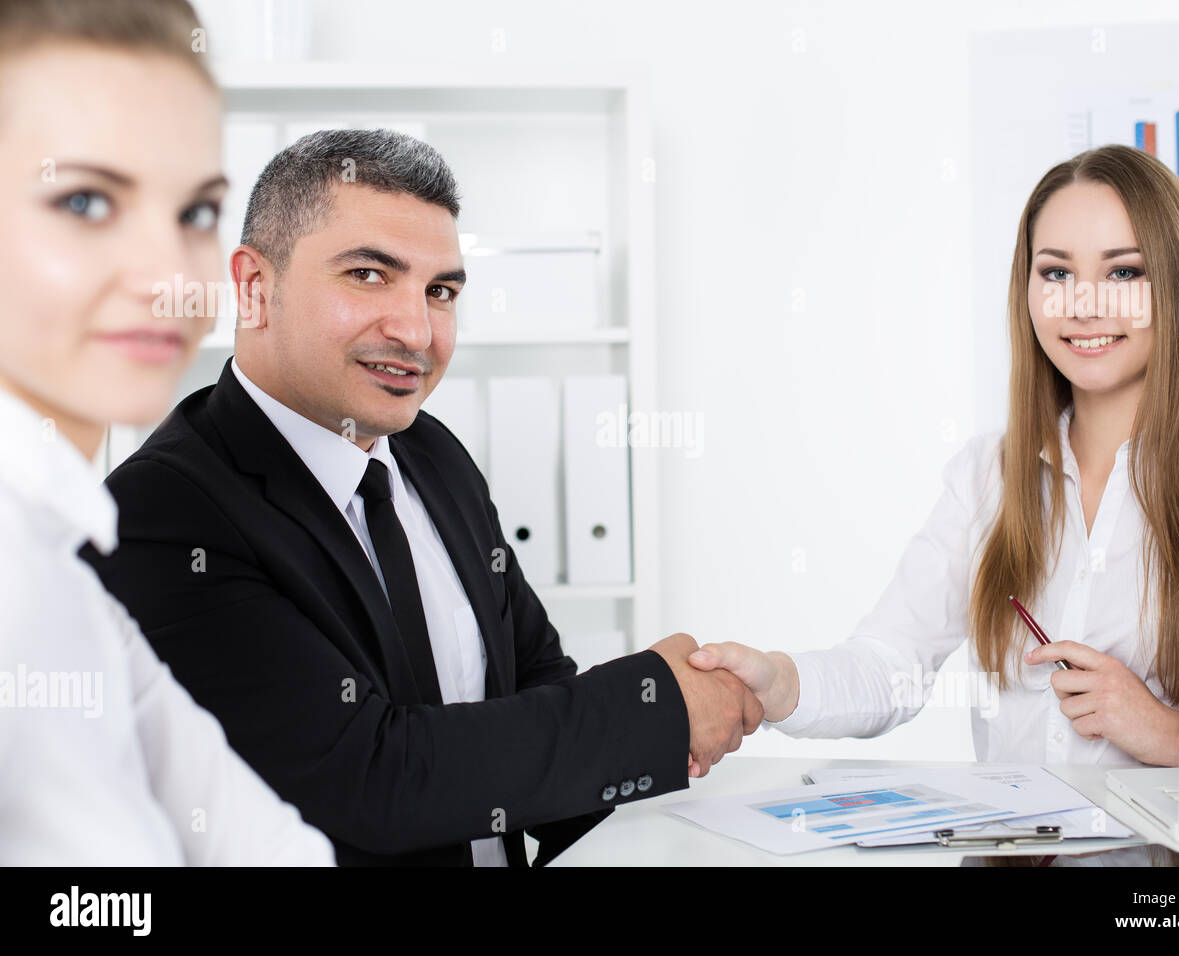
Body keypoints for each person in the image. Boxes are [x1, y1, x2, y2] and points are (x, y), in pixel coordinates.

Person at [86, 127, 763, 867]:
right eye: (369, 275)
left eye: (440, 291)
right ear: (254, 288)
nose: (417, 332)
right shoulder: (160, 516)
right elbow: (371, 780)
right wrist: (656, 710)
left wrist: (672, 730)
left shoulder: (431, 454)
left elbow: (536, 680)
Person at [689, 144, 1179, 768]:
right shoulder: (988, 476)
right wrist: (780, 683)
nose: (1083, 305)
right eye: (1056, 273)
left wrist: (1169, 733)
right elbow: (892, 661)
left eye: (1123, 272)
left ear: (1178, 285)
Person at [0, 0, 333, 864]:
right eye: (85, 200)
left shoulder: (64, 575)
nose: (171, 279)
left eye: (193, 213)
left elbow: (264, 847)